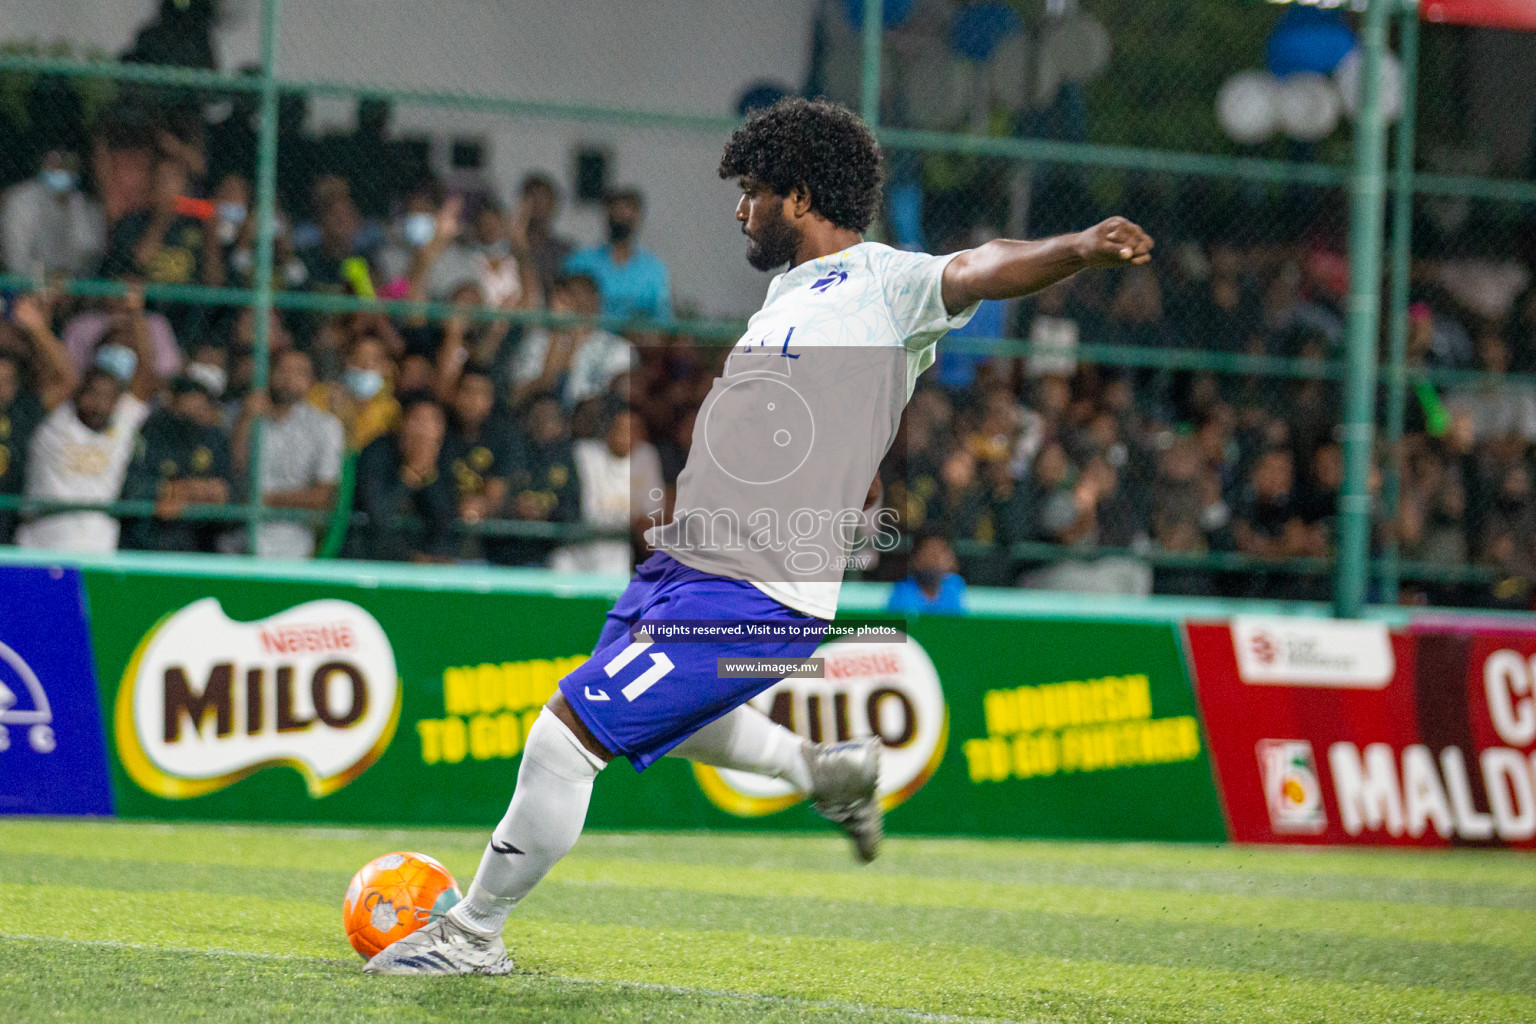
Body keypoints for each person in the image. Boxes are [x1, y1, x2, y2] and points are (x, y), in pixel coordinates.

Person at [365, 97, 1152, 976]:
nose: (741, 209)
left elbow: (981, 266)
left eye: (752, 191)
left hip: (759, 588)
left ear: (801, 195)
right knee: (677, 721)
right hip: (684, 566)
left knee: (566, 738)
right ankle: (826, 771)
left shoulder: (889, 284)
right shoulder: (785, 292)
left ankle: (473, 936)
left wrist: (1075, 248)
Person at [15, 291, 160, 553]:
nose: (98, 403)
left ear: (117, 402)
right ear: (79, 395)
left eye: (107, 398)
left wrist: (137, 314)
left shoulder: (123, 422)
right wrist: (38, 328)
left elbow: (146, 376)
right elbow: (67, 377)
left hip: (98, 544)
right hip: (41, 541)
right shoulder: (57, 421)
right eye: (92, 394)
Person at [232, 348, 344, 559]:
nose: (288, 379)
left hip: (294, 543)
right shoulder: (249, 417)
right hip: (240, 538)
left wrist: (266, 500)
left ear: (310, 381)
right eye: (282, 370)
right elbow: (235, 467)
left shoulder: (325, 426)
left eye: (298, 373)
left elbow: (324, 496)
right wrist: (245, 420)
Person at [121, 375, 231, 552]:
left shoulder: (215, 437)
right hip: (150, 542)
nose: (195, 412)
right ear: (172, 402)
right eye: (187, 404)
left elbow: (230, 492)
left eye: (201, 406)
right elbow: (132, 486)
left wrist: (211, 491)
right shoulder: (153, 431)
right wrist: (170, 490)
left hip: (200, 546)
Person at [350, 393, 458, 563]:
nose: (425, 431)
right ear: (401, 423)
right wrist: (409, 475)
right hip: (369, 558)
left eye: (433, 422)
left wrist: (429, 474)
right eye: (418, 421)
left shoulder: (445, 455)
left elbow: (443, 520)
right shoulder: (377, 452)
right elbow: (377, 514)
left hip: (421, 560)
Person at [510, 274, 634, 409]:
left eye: (587, 296)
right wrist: (560, 333)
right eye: (573, 297)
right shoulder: (536, 341)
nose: (581, 303)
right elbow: (518, 396)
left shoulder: (619, 348)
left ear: (597, 301)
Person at [563, 187, 672, 323]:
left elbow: (662, 319)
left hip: (637, 341)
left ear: (638, 217)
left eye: (627, 210)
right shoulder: (580, 262)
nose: (621, 215)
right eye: (616, 209)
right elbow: (563, 309)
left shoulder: (654, 269)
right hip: (590, 340)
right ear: (606, 215)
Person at [2, 148, 105, 276]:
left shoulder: (87, 205)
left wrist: (66, 278)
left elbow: (90, 253)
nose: (61, 170)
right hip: (25, 287)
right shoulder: (21, 200)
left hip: (71, 288)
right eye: (55, 163)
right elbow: (16, 258)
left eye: (67, 163)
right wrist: (46, 278)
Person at [513, 173, 575, 298]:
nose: (538, 205)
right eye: (533, 199)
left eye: (544, 199)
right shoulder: (506, 246)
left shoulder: (564, 251)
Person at [887, 532, 967, 615]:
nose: (934, 561)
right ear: (915, 558)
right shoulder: (902, 592)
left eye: (939, 553)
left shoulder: (954, 586)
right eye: (929, 553)